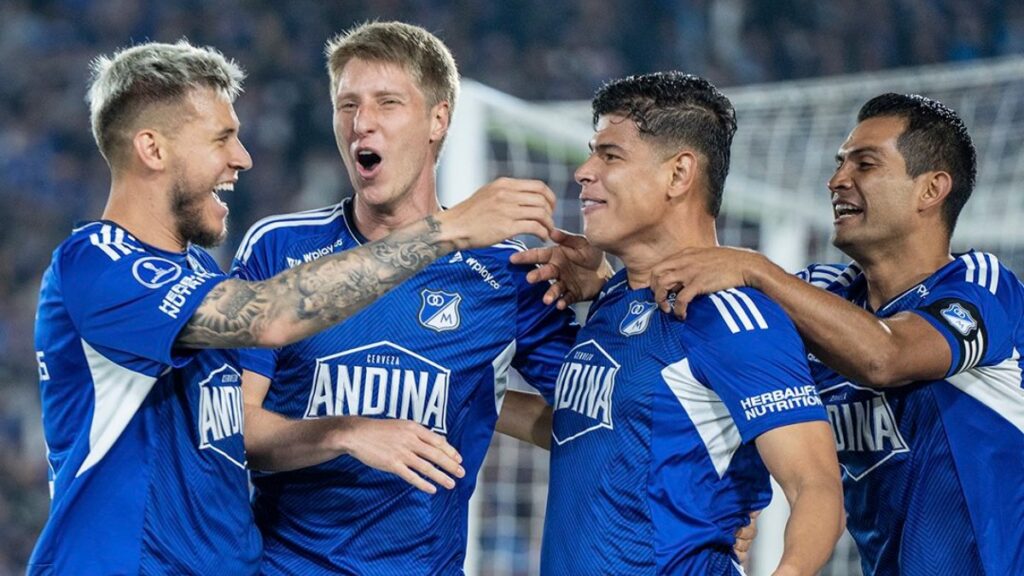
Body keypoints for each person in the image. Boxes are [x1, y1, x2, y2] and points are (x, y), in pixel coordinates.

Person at [30, 40, 555, 576]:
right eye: (222, 138)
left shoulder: (198, 276)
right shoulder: (99, 263)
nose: (243, 157)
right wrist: (448, 230)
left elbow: (234, 428)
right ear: (154, 149)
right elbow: (269, 316)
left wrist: (473, 392)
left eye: (387, 103)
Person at [229, 22, 580, 575]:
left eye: (387, 103)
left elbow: (598, 412)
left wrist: (607, 290)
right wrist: (348, 431)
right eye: (347, 105)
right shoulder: (278, 248)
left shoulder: (506, 272)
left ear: (438, 119)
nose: (361, 123)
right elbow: (235, 430)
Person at [641, 93, 1024, 575]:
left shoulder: (982, 287)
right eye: (840, 163)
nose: (837, 180)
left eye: (865, 164)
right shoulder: (822, 295)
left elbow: (884, 356)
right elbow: (732, 378)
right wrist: (601, 284)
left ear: (931, 189)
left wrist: (756, 269)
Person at [504, 72, 844, 575]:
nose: (583, 171)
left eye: (610, 155)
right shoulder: (614, 300)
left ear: (679, 174)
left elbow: (815, 487)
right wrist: (462, 395)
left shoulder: (731, 314)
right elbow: (593, 430)